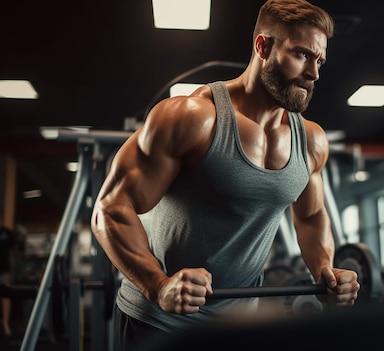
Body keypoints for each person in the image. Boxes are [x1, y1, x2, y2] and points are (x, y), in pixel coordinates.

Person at [90, 0, 360, 349]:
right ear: (263, 46)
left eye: (319, 60)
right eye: (302, 55)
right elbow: (111, 210)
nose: (314, 73)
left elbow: (310, 216)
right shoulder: (192, 118)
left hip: (239, 325)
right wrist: (158, 286)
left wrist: (324, 270)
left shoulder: (311, 140)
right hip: (160, 323)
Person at [0, 219, 15, 338]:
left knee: (6, 297)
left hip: (4, 269)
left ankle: (5, 323)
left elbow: (14, 251)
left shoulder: (7, 233)